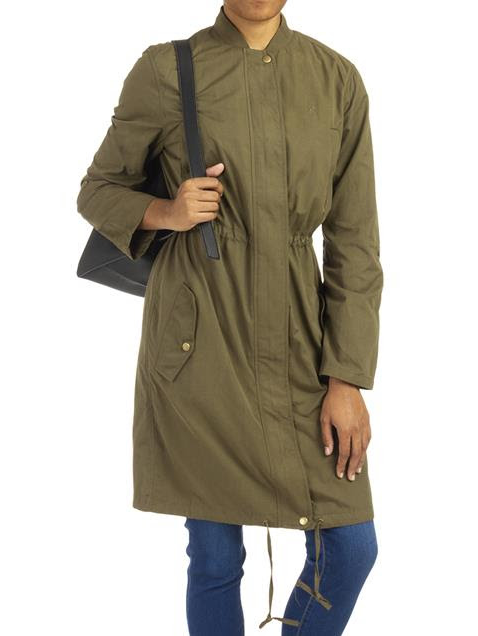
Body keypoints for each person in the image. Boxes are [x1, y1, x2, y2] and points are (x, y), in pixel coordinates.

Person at [76, 2, 383, 634]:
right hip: (201, 346)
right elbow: (98, 189)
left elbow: (355, 243)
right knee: (215, 559)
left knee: (352, 547)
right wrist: (169, 211)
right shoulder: (166, 69)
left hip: (303, 346)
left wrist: (347, 377)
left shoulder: (336, 79)